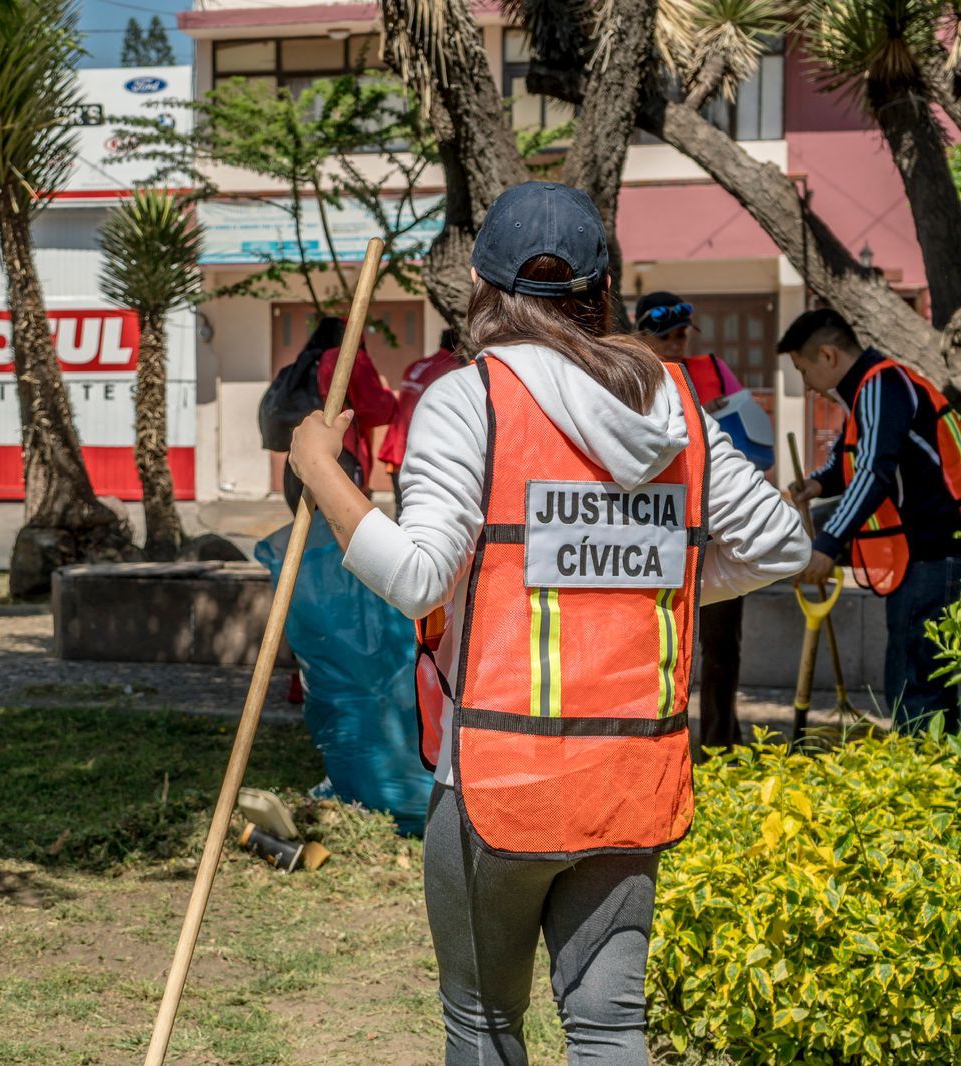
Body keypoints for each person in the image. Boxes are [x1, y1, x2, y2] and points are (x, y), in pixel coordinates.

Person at [289, 182, 808, 1062]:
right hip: (628, 777)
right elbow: (778, 548)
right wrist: (639, 577)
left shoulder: (471, 398)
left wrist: (321, 471)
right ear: (601, 293)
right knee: (609, 1029)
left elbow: (418, 579)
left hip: (498, 777)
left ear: (485, 293)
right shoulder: (675, 407)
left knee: (485, 1025)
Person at [782, 307, 961, 734]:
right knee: (919, 677)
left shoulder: (882, 383)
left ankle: (925, 784)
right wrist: (819, 485)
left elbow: (874, 472)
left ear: (828, 356)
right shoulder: (868, 392)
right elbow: (855, 459)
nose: (806, 387)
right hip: (924, 559)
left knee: (918, 687)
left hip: (934, 557)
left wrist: (827, 544)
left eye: (803, 371)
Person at [636, 292, 760, 751]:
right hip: (653, 531)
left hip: (715, 531)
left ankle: (719, 744)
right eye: (666, 335)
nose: (676, 343)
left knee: (721, 647)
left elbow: (753, 443)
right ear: (643, 335)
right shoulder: (629, 376)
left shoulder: (714, 371)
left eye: (682, 334)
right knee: (655, 647)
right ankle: (657, 744)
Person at [280, 319, 397, 514]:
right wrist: (386, 392)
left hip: (299, 456)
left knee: (310, 538)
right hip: (339, 458)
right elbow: (379, 410)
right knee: (338, 537)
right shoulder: (347, 358)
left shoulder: (308, 361)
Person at [378, 328, 462, 511]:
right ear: (462, 346)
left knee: (402, 511)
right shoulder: (453, 370)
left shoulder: (418, 365)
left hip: (398, 448)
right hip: (418, 451)